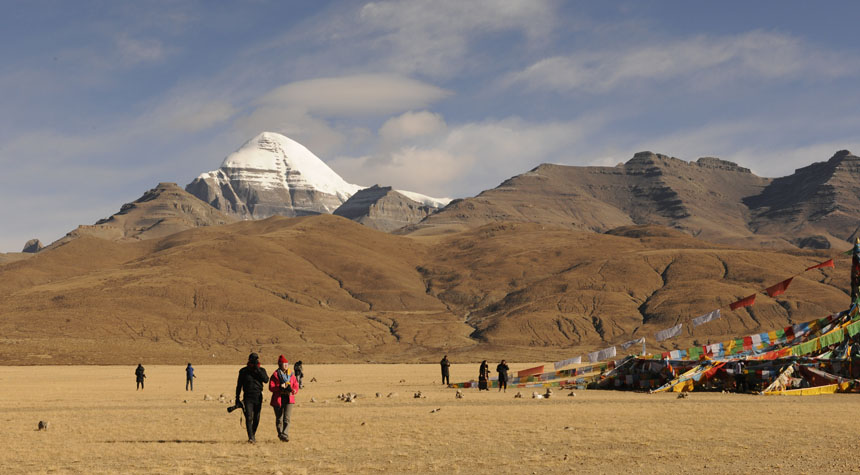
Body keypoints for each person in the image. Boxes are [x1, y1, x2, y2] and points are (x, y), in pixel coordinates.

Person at [235, 353, 269, 443]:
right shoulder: (243, 371)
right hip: (247, 397)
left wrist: (257, 369)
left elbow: (266, 380)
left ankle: (252, 434)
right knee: (249, 417)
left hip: (258, 396)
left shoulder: (261, 370)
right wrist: (237, 398)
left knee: (257, 417)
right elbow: (239, 385)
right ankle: (251, 437)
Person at [269, 355, 299, 442]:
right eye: (284, 363)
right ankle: (280, 434)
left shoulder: (291, 374)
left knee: (287, 418)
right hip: (278, 398)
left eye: (287, 363)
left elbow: (296, 385)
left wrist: (294, 390)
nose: (286, 365)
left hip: (289, 398)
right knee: (279, 418)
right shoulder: (275, 375)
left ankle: (285, 434)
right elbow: (271, 387)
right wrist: (279, 387)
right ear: (279, 364)